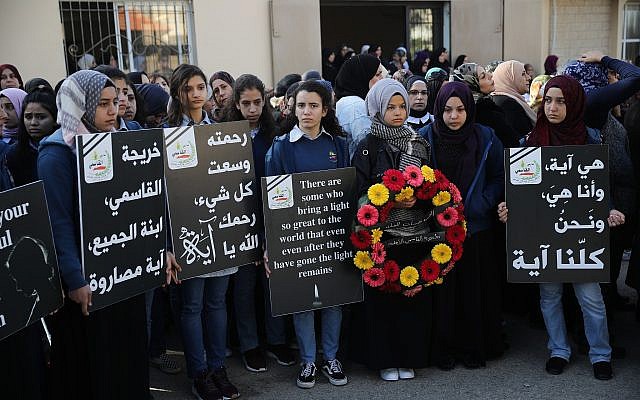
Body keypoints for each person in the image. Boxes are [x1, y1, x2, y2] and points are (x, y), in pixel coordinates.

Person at [39, 69, 150, 399]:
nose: (113, 111)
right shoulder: (56, 154)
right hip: (87, 282)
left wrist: (161, 251)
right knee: (94, 363)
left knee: (126, 355)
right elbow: (58, 223)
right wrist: (75, 278)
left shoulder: (114, 141)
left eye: (115, 102)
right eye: (102, 104)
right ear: (81, 106)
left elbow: (141, 203)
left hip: (123, 273)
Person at [497, 75, 614, 381]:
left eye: (561, 101)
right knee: (549, 296)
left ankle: (600, 354)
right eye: (548, 100)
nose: (552, 107)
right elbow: (519, 191)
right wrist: (510, 209)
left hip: (582, 238)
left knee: (591, 298)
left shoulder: (592, 140)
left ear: (574, 103)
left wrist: (611, 209)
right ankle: (558, 350)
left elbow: (601, 185)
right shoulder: (529, 143)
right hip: (544, 241)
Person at [265, 80, 349, 390]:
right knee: (302, 300)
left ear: (325, 110)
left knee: (334, 300)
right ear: (292, 108)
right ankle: (308, 360)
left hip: (332, 235)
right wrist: (270, 244)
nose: (307, 111)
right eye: (301, 105)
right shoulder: (281, 147)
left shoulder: (339, 145)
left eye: (313, 105)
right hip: (294, 237)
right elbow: (271, 201)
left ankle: (331, 358)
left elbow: (348, 193)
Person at [349, 78, 433, 381]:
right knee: (383, 299)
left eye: (402, 106)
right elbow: (357, 190)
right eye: (390, 107)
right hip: (380, 237)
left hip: (415, 233)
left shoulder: (418, 142)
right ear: (377, 108)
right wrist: (386, 197)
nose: (398, 113)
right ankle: (385, 360)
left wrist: (418, 198)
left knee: (409, 296)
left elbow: (434, 186)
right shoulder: (367, 146)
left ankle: (408, 357)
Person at [167, 63, 240, 400]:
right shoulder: (166, 132)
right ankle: (199, 374)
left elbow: (234, 178)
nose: (196, 94)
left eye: (200, 87)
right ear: (178, 92)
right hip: (188, 235)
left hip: (222, 229)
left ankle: (218, 368)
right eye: (189, 88)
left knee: (217, 303)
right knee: (192, 306)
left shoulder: (222, 130)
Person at [420, 81, 505, 369]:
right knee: (443, 293)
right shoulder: (424, 138)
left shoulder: (486, 137)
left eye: (459, 110)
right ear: (438, 110)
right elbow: (414, 179)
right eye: (446, 110)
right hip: (438, 231)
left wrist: (482, 202)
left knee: (473, 290)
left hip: (476, 229)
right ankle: (443, 349)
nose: (453, 116)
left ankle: (473, 347)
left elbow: (499, 176)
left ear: (469, 109)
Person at [221, 74, 294, 373]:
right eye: (245, 103)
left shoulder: (274, 133)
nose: (252, 109)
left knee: (272, 280)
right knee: (244, 286)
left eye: (257, 102)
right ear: (236, 104)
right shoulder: (224, 135)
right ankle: (250, 345)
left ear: (264, 102)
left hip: (270, 215)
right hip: (236, 217)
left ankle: (276, 341)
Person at [450, 63, 520, 147]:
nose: (490, 75)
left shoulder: (486, 106)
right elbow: (512, 142)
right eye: (483, 77)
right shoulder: (484, 113)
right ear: (472, 85)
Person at [335, 54, 384, 159]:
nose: (382, 78)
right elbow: (370, 146)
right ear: (363, 76)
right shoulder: (355, 105)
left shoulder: (349, 100)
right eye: (377, 74)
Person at [6, 90, 58, 186]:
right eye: (28, 117)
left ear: (55, 119)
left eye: (41, 117)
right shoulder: (14, 153)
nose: (33, 123)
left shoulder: (66, 148)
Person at [490, 60, 535, 139]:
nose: (528, 78)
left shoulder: (499, 98)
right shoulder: (508, 104)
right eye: (523, 74)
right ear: (509, 78)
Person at [93, 65, 143, 131]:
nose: (123, 99)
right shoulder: (86, 133)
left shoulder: (135, 127)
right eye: (116, 92)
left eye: (125, 93)